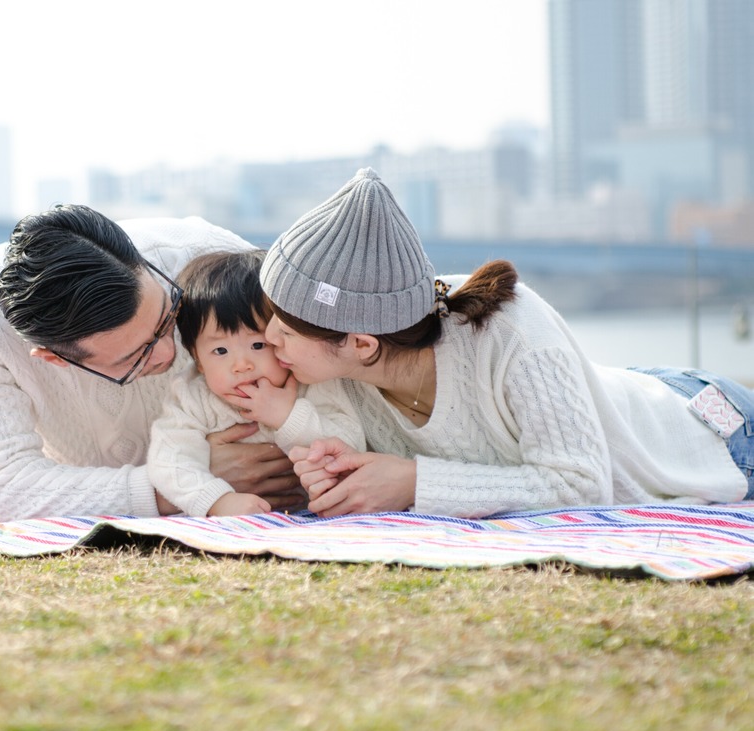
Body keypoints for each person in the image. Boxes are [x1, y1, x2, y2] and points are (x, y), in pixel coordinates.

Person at [257, 167, 754, 519]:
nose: (269, 336)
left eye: (288, 329)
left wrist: (414, 482)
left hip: (709, 432)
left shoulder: (511, 333)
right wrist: (337, 475)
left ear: (362, 344)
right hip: (614, 393)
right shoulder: (335, 369)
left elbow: (581, 485)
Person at [0, 204, 302, 523]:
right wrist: (187, 486)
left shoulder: (210, 258)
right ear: (53, 358)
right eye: (135, 357)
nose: (168, 353)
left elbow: (324, 363)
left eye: (168, 318)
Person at [147, 250, 365, 517]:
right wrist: (217, 501)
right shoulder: (194, 395)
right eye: (220, 351)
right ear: (198, 360)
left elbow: (353, 444)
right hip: (238, 517)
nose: (242, 365)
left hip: (317, 516)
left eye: (258, 345)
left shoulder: (310, 381)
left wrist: (287, 416)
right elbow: (169, 460)